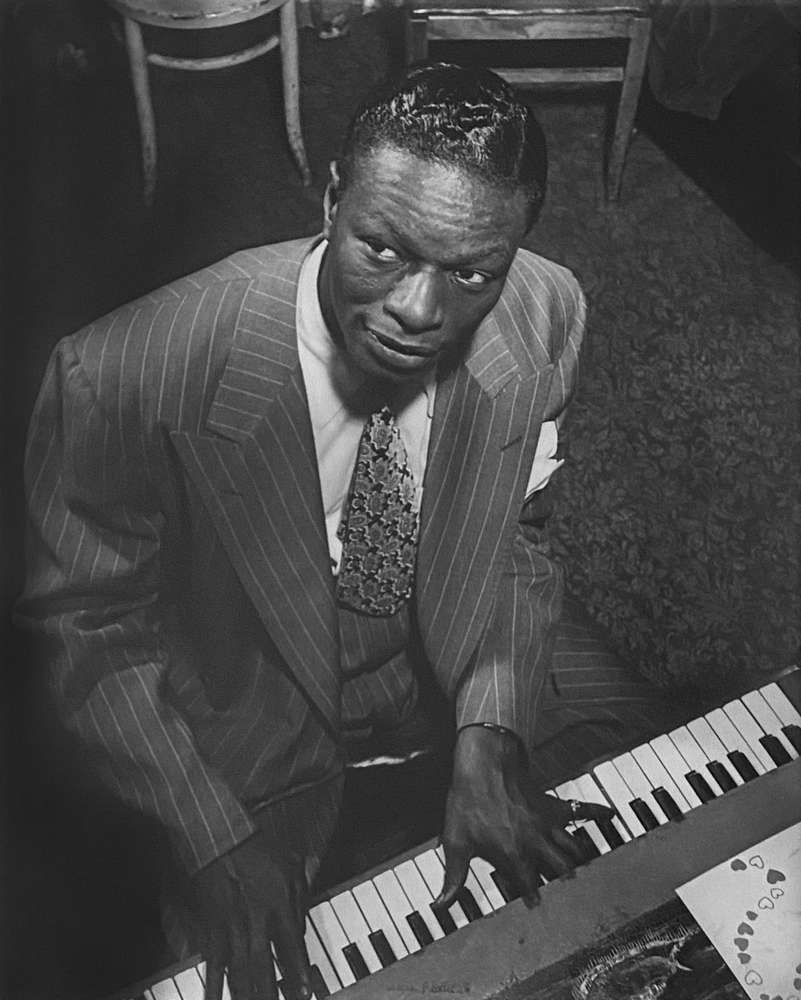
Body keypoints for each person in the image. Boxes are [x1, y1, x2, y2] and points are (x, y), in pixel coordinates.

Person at [17, 63, 679, 1000]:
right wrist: (211, 834)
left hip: (450, 653)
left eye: (471, 272)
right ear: (332, 198)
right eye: (382, 250)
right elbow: (82, 626)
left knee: (670, 832)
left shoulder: (545, 309)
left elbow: (518, 531)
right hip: (250, 718)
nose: (419, 310)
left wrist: (490, 726)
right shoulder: (119, 375)